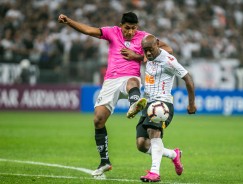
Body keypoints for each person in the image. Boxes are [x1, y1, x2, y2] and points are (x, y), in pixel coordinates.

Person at [58, 12, 173, 177]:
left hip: (130, 77)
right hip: (111, 81)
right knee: (98, 119)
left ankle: (135, 102)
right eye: (127, 28)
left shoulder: (145, 37)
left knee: (132, 83)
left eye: (134, 28)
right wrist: (68, 21)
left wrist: (139, 56)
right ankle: (105, 161)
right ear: (121, 26)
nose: (131, 32)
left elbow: (168, 49)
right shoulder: (112, 32)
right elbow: (90, 31)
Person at [134, 35, 197, 182]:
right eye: (145, 50)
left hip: (162, 104)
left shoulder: (169, 60)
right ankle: (174, 155)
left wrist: (191, 104)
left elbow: (188, 79)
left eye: (150, 50)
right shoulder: (148, 57)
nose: (148, 53)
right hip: (148, 104)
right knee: (141, 144)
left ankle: (155, 172)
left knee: (153, 132)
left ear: (157, 44)